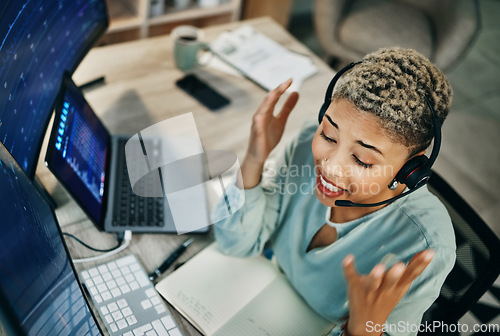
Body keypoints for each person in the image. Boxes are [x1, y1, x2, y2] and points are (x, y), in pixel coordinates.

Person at [213, 48, 456, 336]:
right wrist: (255, 159)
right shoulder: (306, 142)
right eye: (329, 135)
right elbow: (236, 243)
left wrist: (365, 330)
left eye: (362, 159)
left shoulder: (425, 247)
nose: (330, 167)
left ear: (410, 168)